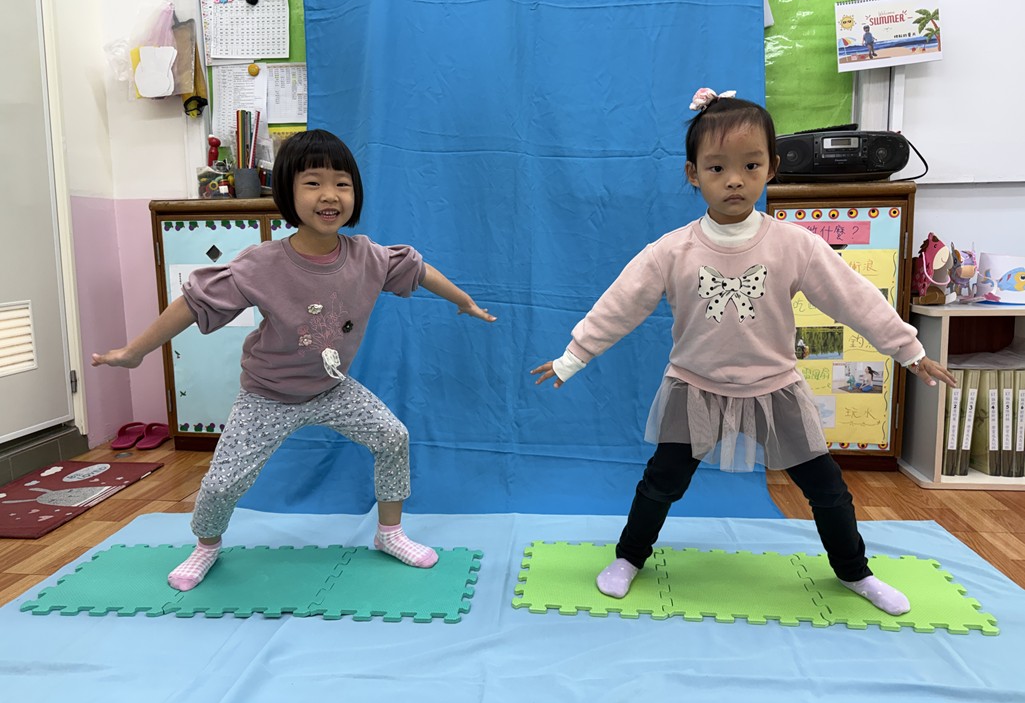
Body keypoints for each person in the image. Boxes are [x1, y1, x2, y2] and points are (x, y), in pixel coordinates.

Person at [531, 87, 955, 616]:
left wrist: (909, 350)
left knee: (827, 488)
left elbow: (855, 298)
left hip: (775, 387)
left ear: (772, 167)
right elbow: (620, 305)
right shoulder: (671, 251)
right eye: (717, 168)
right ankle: (629, 557)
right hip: (695, 386)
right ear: (693, 174)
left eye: (750, 165)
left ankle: (855, 571)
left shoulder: (795, 245)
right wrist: (574, 357)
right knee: (662, 482)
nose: (734, 179)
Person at [93, 129, 495, 591]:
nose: (330, 195)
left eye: (342, 183)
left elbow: (416, 269)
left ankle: (389, 533)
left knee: (392, 437)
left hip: (331, 388)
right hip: (267, 395)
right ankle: (206, 545)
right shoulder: (261, 264)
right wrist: (135, 351)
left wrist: (463, 300)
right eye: (313, 183)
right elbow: (194, 302)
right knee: (224, 483)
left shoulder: (366, 256)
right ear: (288, 191)